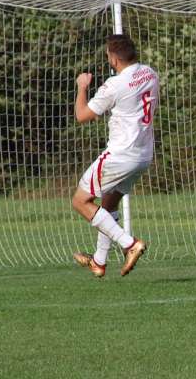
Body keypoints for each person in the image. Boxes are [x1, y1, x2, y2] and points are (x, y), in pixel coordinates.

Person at [70, 34, 159, 278]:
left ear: (113, 58)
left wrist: (82, 87)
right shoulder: (150, 73)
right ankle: (98, 262)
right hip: (143, 154)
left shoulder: (114, 85)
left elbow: (82, 116)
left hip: (120, 154)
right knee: (108, 203)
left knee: (80, 201)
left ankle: (130, 244)